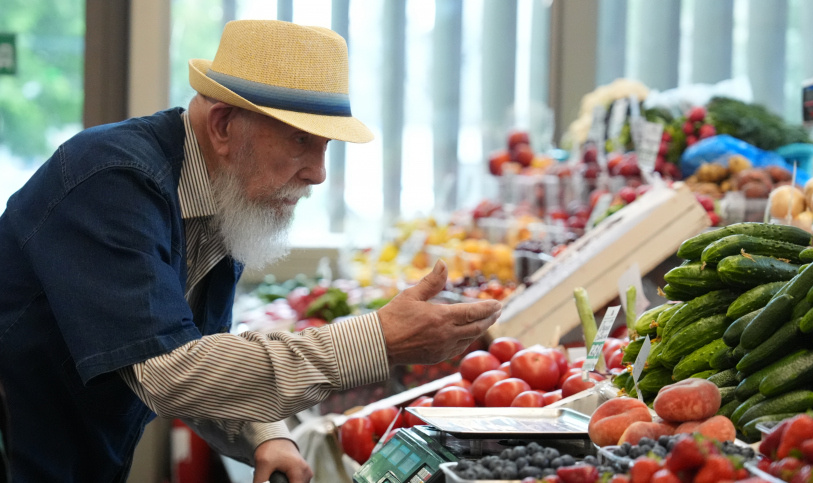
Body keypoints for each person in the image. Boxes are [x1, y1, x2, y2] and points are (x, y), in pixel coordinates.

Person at [0, 20, 502, 483]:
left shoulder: (226, 193)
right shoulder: (113, 180)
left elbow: (201, 354)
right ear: (222, 126)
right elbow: (167, 369)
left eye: (326, 146)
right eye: (302, 140)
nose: (318, 173)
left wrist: (268, 434)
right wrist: (376, 340)